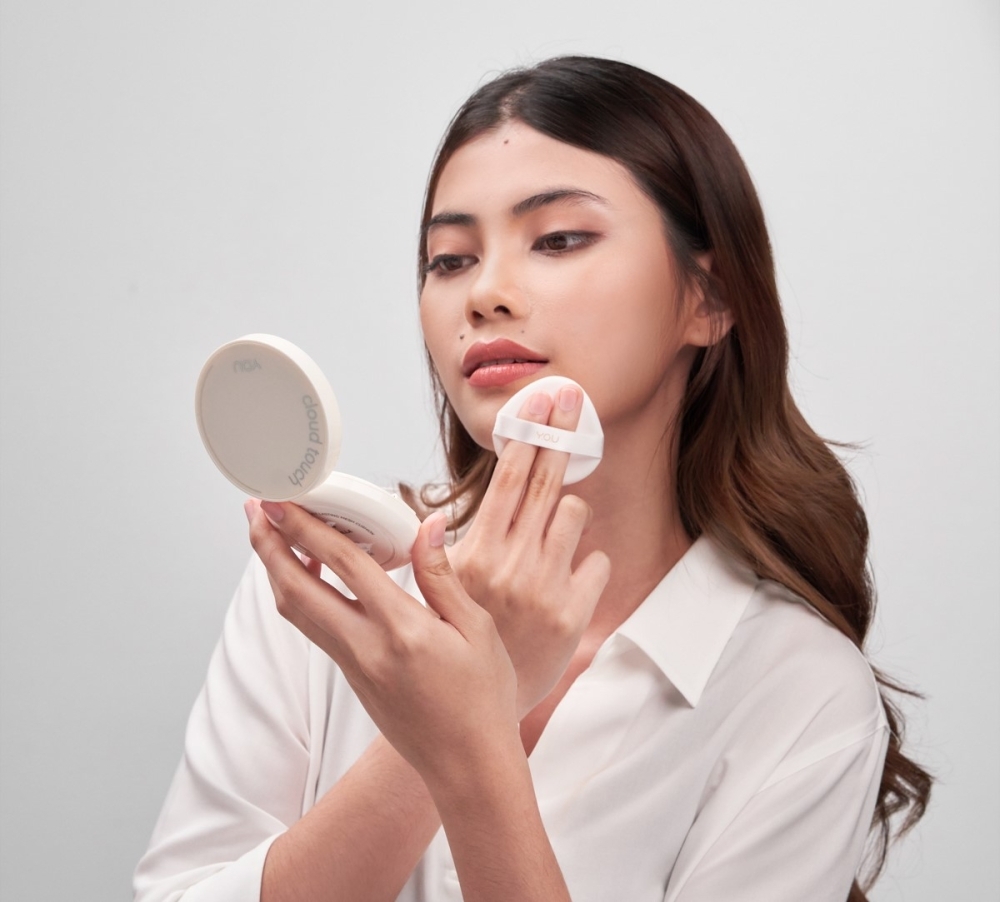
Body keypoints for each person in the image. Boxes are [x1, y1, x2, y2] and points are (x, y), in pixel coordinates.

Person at [134, 56, 931, 902]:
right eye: (450, 259)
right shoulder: (325, 584)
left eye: (558, 240)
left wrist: (472, 723)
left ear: (709, 298)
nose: (485, 293)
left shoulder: (797, 688)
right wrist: (453, 707)